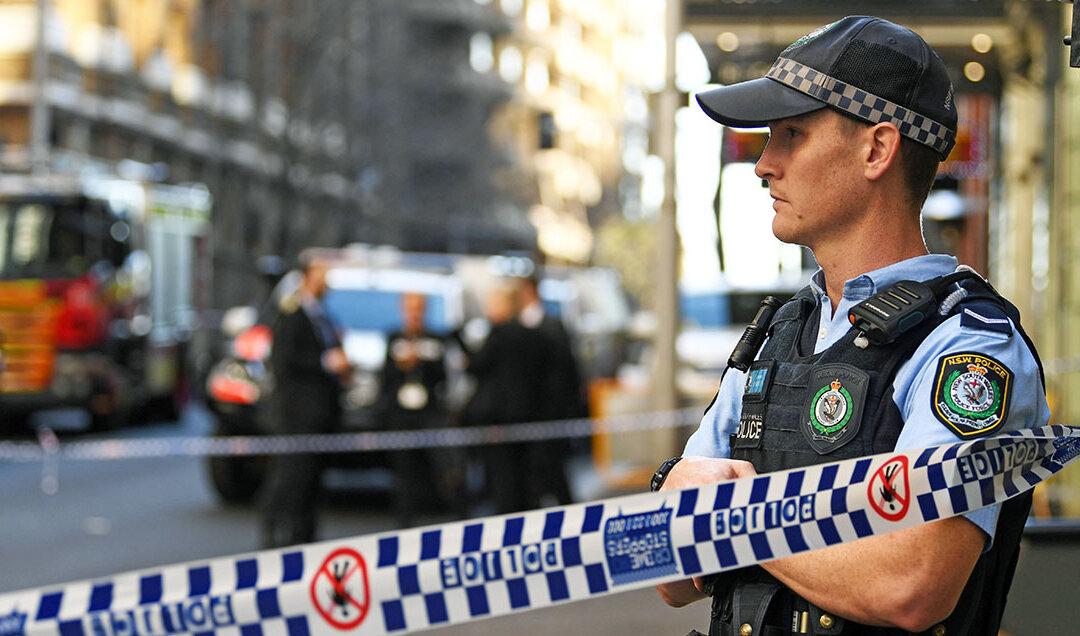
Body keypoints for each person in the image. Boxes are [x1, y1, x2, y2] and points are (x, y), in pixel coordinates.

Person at [653, 16, 1049, 636]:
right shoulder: (778, 334)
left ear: (877, 149)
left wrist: (733, 518)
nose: (764, 165)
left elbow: (911, 582)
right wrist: (681, 491)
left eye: (791, 135)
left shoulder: (968, 345)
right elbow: (671, 575)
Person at [260, 256, 352, 548]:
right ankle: (275, 533)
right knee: (292, 475)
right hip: (297, 413)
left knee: (311, 478)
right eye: (321, 275)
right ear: (306, 278)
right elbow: (284, 360)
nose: (326, 282)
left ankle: (304, 536)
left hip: (320, 412)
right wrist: (326, 362)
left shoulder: (322, 316)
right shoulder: (293, 313)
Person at [463, 282, 545, 514]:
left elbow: (478, 366)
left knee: (503, 478)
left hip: (499, 419)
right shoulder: (531, 335)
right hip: (526, 416)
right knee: (523, 477)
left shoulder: (499, 334)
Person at [379, 292, 449, 527]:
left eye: (419, 307)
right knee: (403, 472)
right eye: (410, 307)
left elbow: (444, 377)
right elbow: (384, 378)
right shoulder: (393, 337)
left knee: (441, 468)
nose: (415, 313)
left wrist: (422, 362)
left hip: (429, 413)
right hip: (401, 415)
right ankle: (404, 522)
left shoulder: (435, 339)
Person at [519, 274, 587, 505]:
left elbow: (565, 371)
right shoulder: (521, 325)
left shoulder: (550, 326)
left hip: (549, 413)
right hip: (529, 415)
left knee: (554, 473)